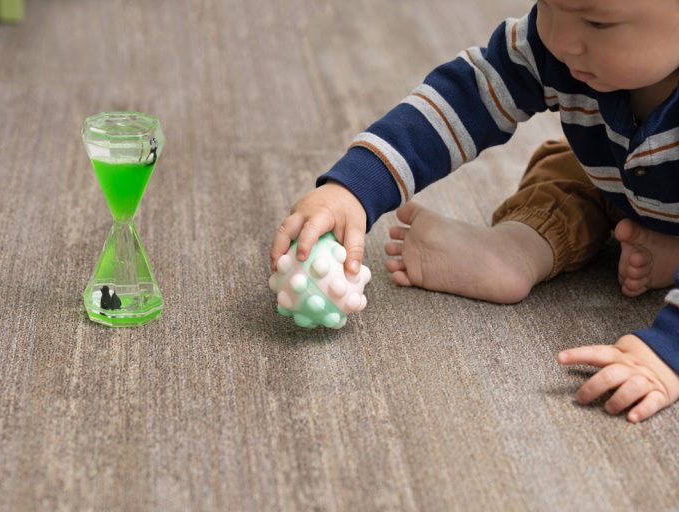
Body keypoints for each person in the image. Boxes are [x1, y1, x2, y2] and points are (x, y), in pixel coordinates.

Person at [269, 0, 679, 422]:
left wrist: (667, 355)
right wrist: (355, 187)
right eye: (549, 6)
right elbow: (465, 98)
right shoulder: (554, 44)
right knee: (563, 169)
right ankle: (521, 246)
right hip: (613, 184)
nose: (560, 39)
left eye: (597, 23)